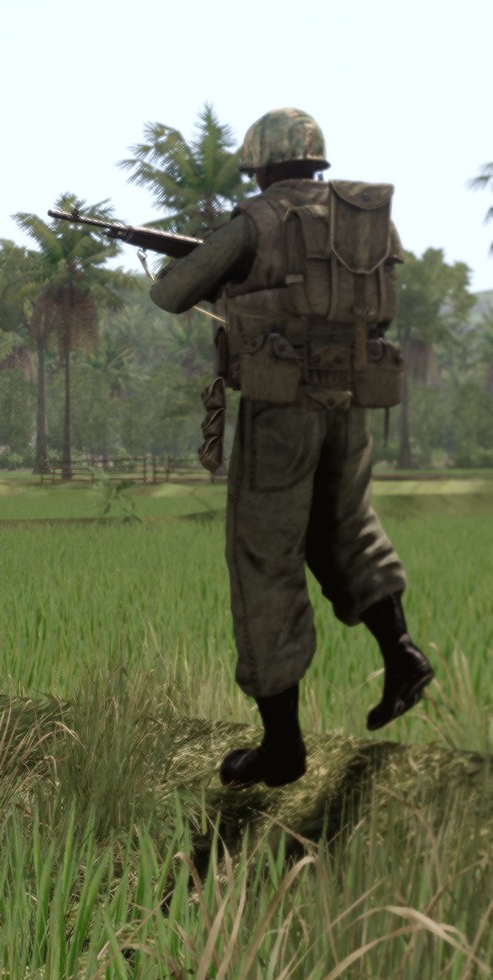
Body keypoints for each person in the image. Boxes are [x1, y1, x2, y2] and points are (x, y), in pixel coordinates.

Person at [149, 107, 430, 788]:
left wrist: (202, 262)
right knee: (347, 529)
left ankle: (283, 749)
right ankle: (403, 655)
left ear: (264, 165)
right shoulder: (366, 219)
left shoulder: (261, 218)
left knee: (264, 560)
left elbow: (172, 294)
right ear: (316, 160)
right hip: (350, 402)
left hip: (282, 411)